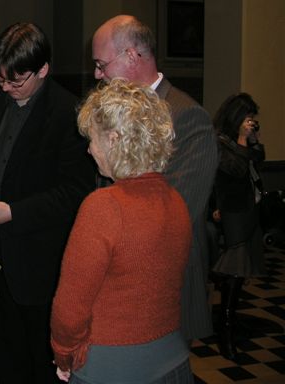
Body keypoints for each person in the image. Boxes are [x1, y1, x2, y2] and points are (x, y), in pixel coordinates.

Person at [0, 22, 95, 383]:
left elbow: (74, 192)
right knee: (6, 353)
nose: (5, 88)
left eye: (15, 81)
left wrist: (13, 213)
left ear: (43, 69)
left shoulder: (68, 112)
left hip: (39, 259)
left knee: (41, 360)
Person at [51, 79, 194, 384]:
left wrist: (64, 355)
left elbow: (70, 310)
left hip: (112, 367)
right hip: (173, 359)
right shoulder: (176, 200)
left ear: (114, 139)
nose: (89, 150)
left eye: (92, 139)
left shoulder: (104, 206)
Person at [91, 15, 218, 343]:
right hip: (116, 280)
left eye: (102, 65)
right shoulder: (110, 115)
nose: (97, 75)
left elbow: (177, 211)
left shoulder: (186, 115)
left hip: (163, 284)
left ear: (132, 56)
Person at [211, 93, 266, 361]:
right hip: (232, 212)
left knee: (239, 274)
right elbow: (236, 169)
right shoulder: (220, 142)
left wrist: (252, 139)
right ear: (236, 117)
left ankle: (230, 323)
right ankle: (226, 334)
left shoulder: (239, 140)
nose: (250, 122)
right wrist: (244, 141)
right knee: (234, 270)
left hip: (247, 210)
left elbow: (259, 157)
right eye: (247, 118)